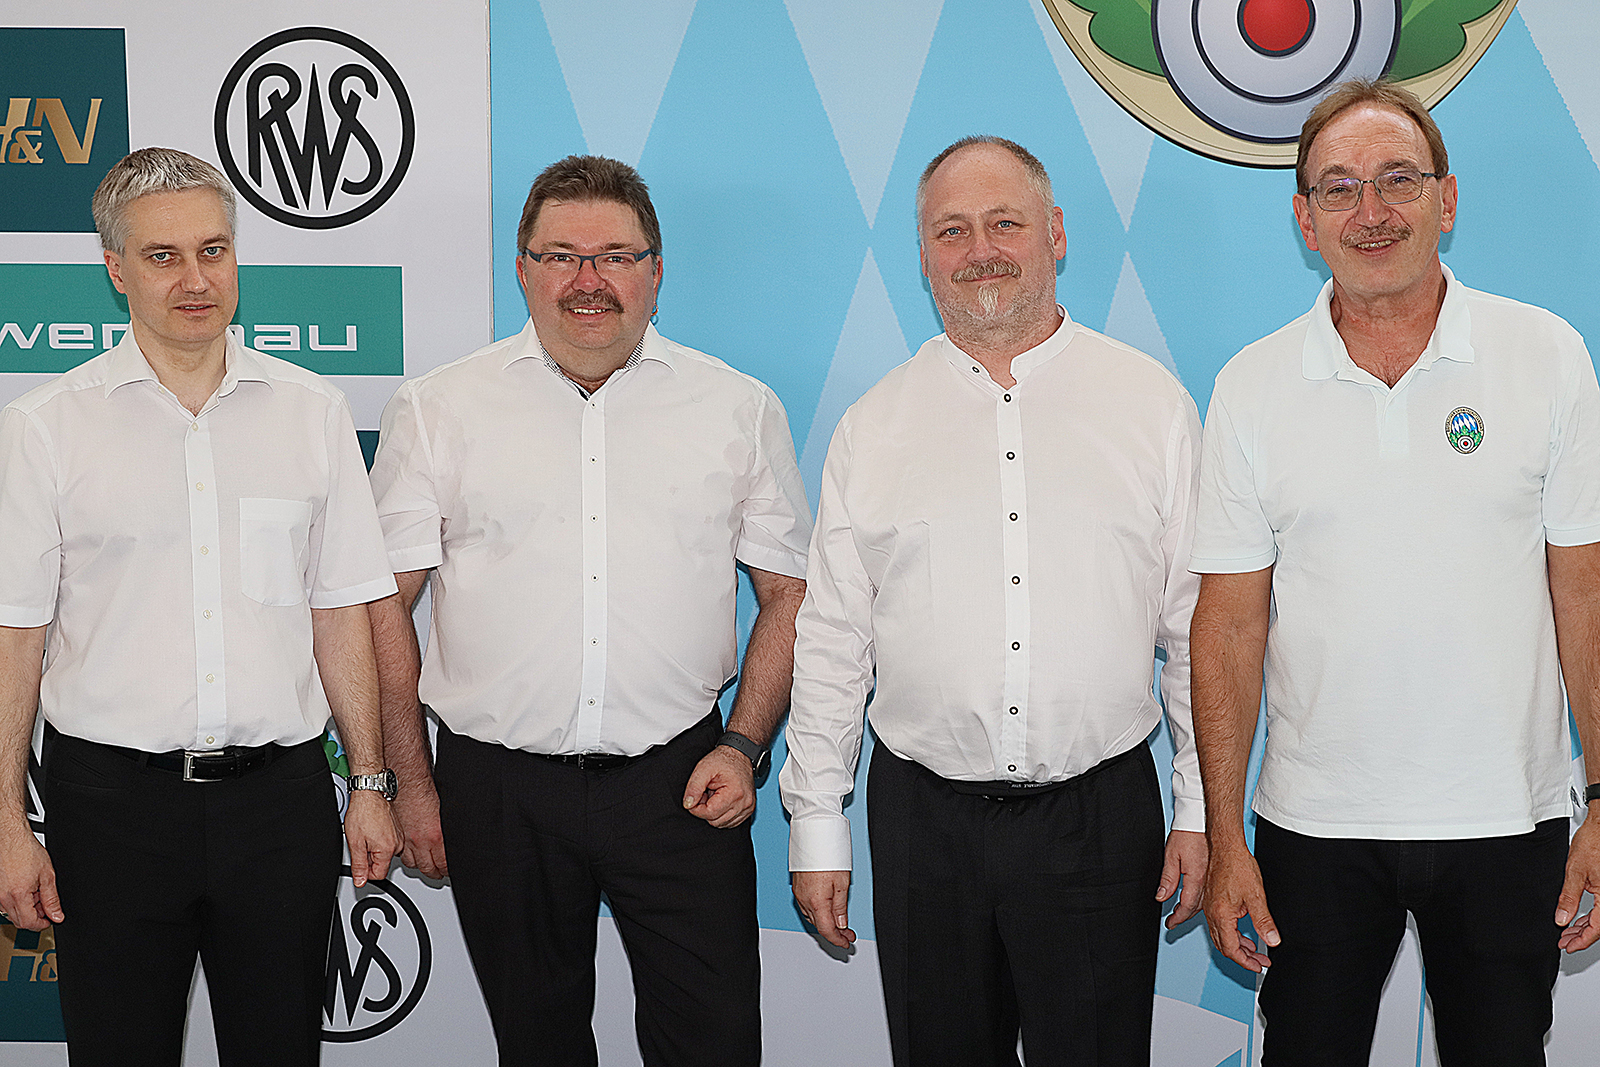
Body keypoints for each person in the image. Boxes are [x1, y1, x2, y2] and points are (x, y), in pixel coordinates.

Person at [367, 154, 811, 1067]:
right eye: (561, 256)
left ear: (656, 270)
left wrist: (744, 743)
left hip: (685, 783)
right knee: (538, 1045)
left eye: (615, 256)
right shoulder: (438, 408)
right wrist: (413, 783)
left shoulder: (738, 407)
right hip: (497, 791)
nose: (588, 280)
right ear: (522, 269)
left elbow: (790, 594)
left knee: (716, 1045)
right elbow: (382, 609)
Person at [1191, 78, 1600, 1066]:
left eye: (1397, 180)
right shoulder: (1250, 384)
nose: (1369, 210)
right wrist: (1225, 838)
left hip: (1507, 816)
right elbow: (1229, 626)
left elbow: (1584, 594)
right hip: (1311, 825)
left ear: (1446, 200)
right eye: (1338, 188)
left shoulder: (1544, 353)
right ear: (1305, 219)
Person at [780, 135, 1207, 1067]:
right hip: (923, 825)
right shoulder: (873, 425)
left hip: (1100, 820)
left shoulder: (1152, 407)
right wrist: (816, 822)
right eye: (952, 230)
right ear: (923, 254)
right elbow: (833, 639)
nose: (981, 249)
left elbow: (1194, 632)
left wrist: (1199, 807)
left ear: (1056, 234)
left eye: (1005, 222)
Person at [0, 147, 401, 1066]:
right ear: (115, 268)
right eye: (163, 256)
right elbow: (15, 637)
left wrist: (371, 781)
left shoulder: (311, 409)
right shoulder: (45, 427)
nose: (195, 278)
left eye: (213, 250)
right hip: (108, 810)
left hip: (281, 808)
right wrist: (7, 824)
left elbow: (340, 610)